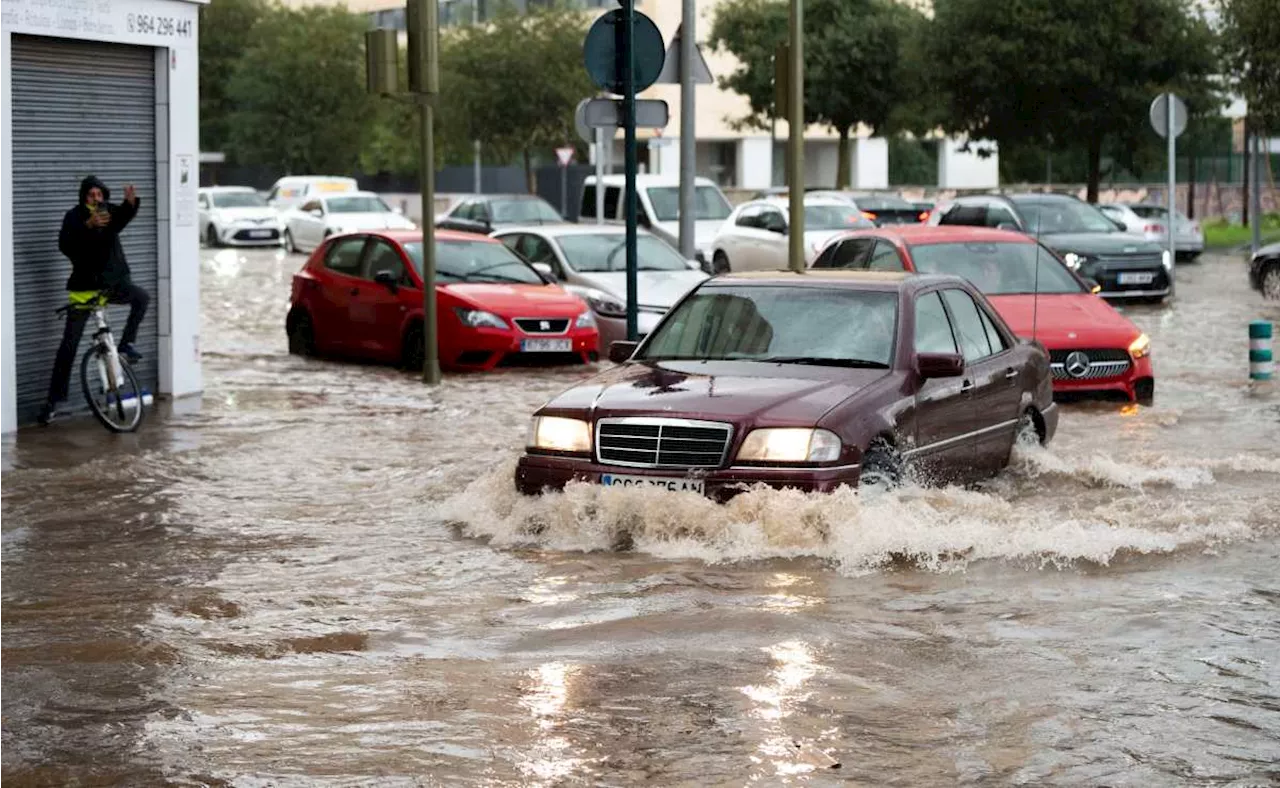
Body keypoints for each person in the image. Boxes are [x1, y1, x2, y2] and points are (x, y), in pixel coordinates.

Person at [38, 176, 147, 425]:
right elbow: (65, 245)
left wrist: (130, 204)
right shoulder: (74, 217)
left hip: (111, 285)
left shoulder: (109, 212)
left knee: (141, 298)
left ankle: (126, 345)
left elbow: (122, 219)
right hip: (84, 290)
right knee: (69, 345)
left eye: (99, 195)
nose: (96, 199)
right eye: (91, 195)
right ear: (84, 196)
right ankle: (53, 401)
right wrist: (87, 225)